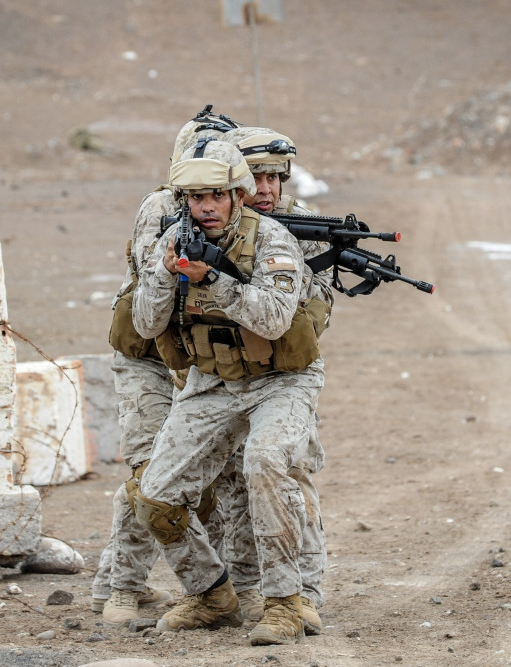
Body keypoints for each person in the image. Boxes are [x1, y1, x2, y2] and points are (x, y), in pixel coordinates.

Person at [131, 139, 325, 645]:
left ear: (238, 196)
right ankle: (211, 594)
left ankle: (285, 602)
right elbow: (147, 323)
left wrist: (213, 279)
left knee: (265, 462)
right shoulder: (174, 239)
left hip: (281, 380)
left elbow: (276, 318)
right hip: (212, 381)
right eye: (196, 199)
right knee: (154, 495)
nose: (208, 207)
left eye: (217, 195)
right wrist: (165, 273)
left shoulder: (273, 240)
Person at [91, 107, 240, 626]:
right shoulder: (162, 209)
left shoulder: (239, 214)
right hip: (149, 358)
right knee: (148, 477)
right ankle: (123, 589)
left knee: (204, 482)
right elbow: (160, 299)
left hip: (200, 363)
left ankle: (210, 589)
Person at [216, 126, 331, 635]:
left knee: (286, 475)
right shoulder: (214, 222)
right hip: (223, 377)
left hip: (285, 374)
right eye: (255, 177)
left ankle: (303, 594)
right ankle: (245, 590)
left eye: (274, 177)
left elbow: (315, 310)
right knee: (232, 487)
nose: (265, 188)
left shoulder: (306, 227)